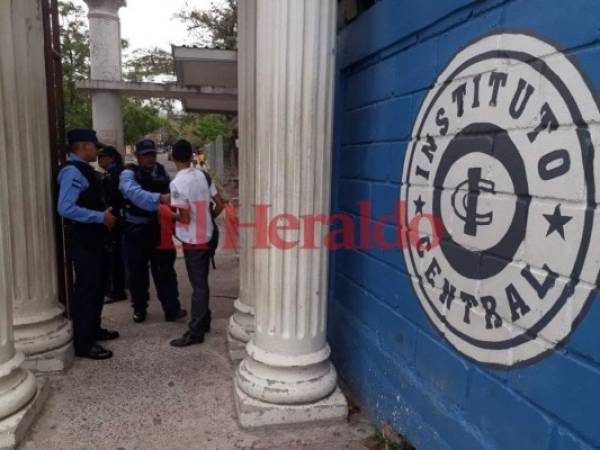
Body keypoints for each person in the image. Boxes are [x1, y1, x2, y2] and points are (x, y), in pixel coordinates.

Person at [57, 129, 119, 360]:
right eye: (95, 146)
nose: (98, 150)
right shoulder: (72, 171)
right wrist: (99, 217)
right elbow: (65, 208)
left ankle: (94, 330)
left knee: (98, 286)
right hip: (84, 242)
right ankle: (84, 343)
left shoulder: (84, 170)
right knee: (87, 291)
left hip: (95, 240)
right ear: (83, 147)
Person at [119, 138, 187, 324]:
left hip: (159, 230)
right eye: (145, 155)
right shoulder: (128, 174)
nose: (150, 158)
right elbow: (133, 194)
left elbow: (174, 194)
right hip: (136, 230)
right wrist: (160, 199)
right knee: (137, 273)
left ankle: (171, 309)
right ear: (137, 156)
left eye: (152, 154)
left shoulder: (161, 171)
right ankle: (139, 309)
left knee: (165, 271)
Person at [169, 139, 225, 347]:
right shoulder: (203, 175)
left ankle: (195, 332)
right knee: (202, 282)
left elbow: (183, 218)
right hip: (209, 237)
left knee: (199, 286)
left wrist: (166, 213)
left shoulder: (177, 184)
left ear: (172, 156)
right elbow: (220, 204)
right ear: (192, 155)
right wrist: (207, 218)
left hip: (193, 241)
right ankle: (205, 320)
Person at [97, 145, 127, 304]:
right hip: (120, 219)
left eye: (101, 157)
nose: (99, 160)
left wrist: (109, 214)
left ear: (110, 158)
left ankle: (116, 290)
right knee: (119, 256)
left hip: (114, 220)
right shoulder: (118, 172)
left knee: (113, 256)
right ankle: (120, 286)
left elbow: (112, 198)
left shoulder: (112, 174)